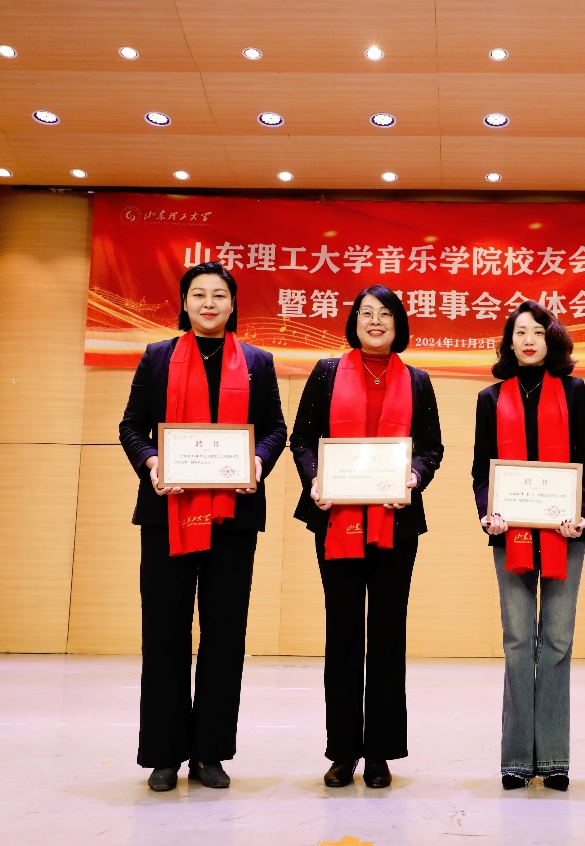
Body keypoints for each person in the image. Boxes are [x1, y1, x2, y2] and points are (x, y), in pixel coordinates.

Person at [118, 261, 287, 792]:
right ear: (185, 302)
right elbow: (131, 426)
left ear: (233, 304)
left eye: (219, 295)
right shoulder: (158, 356)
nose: (209, 303)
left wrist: (257, 461)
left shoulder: (257, 362)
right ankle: (164, 754)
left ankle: (210, 753)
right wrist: (151, 463)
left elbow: (275, 429)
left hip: (233, 517)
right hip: (167, 513)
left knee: (224, 635)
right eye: (199, 295)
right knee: (164, 632)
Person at [290, 285, 444, 789]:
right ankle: (342, 752)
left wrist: (414, 477)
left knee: (387, 636)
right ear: (354, 322)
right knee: (342, 634)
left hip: (396, 522)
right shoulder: (326, 372)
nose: (375, 321)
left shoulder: (417, 381)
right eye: (365, 313)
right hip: (336, 518)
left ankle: (379, 753)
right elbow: (302, 438)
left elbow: (431, 448)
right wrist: (315, 478)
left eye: (384, 314)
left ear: (399, 324)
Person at [471, 301, 585, 791]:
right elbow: (482, 468)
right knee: (518, 642)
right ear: (509, 342)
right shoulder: (489, 398)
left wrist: (581, 511)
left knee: (558, 642)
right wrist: (488, 512)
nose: (529, 340)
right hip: (510, 533)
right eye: (520, 332)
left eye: (538, 333)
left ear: (552, 340)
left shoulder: (575, 392)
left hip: (566, 532)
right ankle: (515, 760)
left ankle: (553, 758)